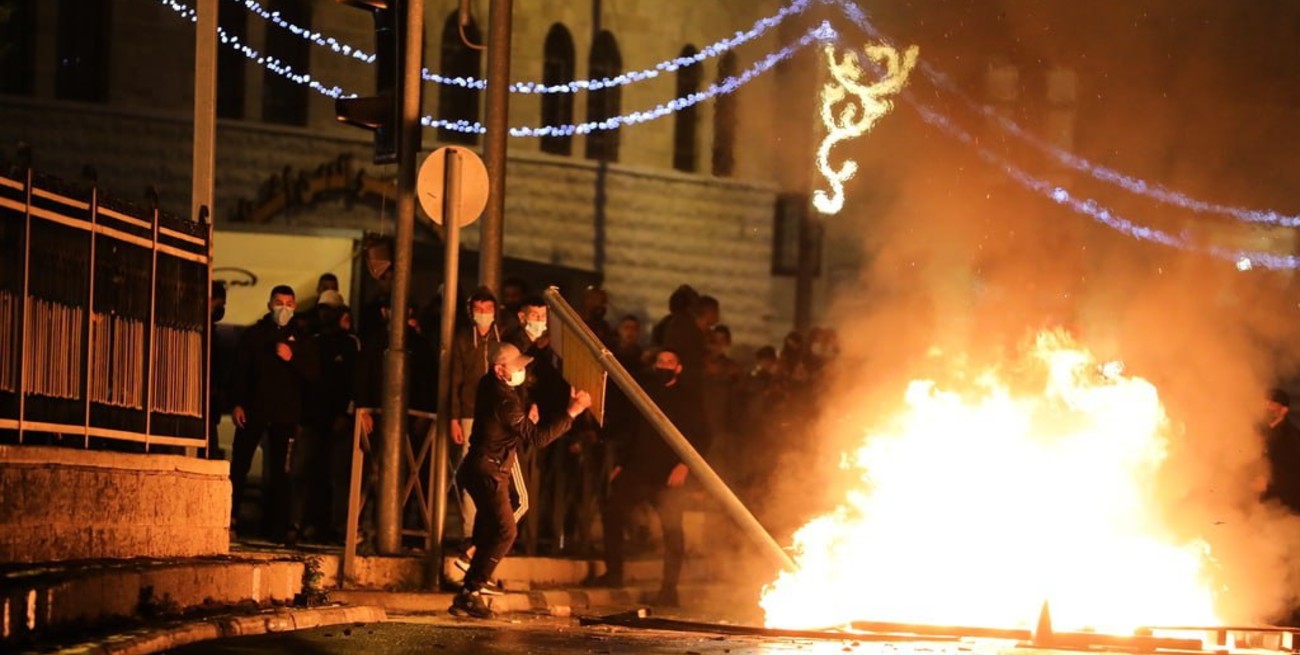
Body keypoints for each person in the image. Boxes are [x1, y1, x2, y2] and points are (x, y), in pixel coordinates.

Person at [451, 342, 592, 619]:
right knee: (506, 531)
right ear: (499, 369)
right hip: (488, 472)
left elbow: (514, 427)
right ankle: (471, 589)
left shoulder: (489, 385)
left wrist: (525, 417)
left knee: (492, 527)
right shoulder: (505, 400)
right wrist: (572, 412)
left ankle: (471, 586)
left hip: (478, 468)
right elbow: (538, 438)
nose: (521, 373)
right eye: (515, 368)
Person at [591, 349, 712, 607]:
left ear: (679, 368)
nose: (664, 366)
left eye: (670, 362)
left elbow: (702, 437)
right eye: (660, 361)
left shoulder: (689, 399)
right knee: (613, 512)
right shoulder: (645, 392)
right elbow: (634, 430)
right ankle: (614, 574)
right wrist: (622, 463)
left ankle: (669, 589)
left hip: (670, 475)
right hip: (639, 469)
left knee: (672, 530)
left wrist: (684, 465)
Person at [229, 285, 319, 543]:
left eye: (289, 304)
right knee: (240, 467)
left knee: (281, 473)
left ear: (295, 307)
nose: (284, 308)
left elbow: (313, 375)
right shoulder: (254, 335)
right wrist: (237, 403)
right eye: (279, 302)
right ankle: (230, 519)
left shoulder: (303, 340)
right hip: (253, 411)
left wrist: (292, 358)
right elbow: (240, 372)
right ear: (270, 304)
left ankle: (278, 528)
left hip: (285, 416)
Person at [449, 287, 505, 550]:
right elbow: (455, 380)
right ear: (471, 312)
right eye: (478, 310)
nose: (483, 314)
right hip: (470, 412)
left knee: (497, 473)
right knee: (472, 470)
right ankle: (470, 531)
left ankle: (495, 530)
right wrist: (454, 417)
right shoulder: (463, 339)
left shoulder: (501, 338)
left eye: (488, 309)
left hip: (499, 414)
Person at [1260, 388, 1300, 511]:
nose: (1267, 406)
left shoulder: (1292, 437)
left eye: (1272, 403)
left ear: (1284, 410)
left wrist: (1267, 485)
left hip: (1282, 506)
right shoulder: (1260, 430)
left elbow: (1293, 475)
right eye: (1265, 402)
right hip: (1260, 504)